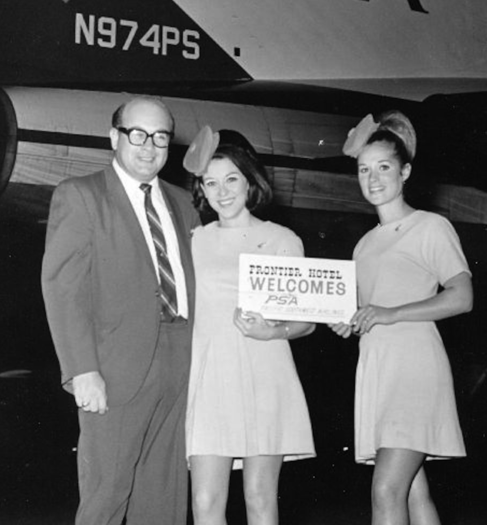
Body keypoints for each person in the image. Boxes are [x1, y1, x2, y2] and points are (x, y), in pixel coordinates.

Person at [41, 96, 200, 525]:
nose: (149, 147)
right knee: (106, 496)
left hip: (183, 360)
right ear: (114, 137)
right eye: (138, 134)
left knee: (165, 499)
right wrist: (81, 369)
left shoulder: (184, 203)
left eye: (161, 138)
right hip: (115, 369)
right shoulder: (81, 195)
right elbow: (62, 289)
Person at [331, 111, 473, 525]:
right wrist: (347, 321)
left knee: (386, 489)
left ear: (405, 171)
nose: (373, 179)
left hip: (414, 365)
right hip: (377, 367)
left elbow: (462, 297)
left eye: (384, 168)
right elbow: (365, 312)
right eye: (363, 170)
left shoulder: (430, 227)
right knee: (412, 491)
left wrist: (390, 314)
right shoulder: (364, 244)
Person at [182, 126, 316, 525]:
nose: (222, 192)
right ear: (201, 189)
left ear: (249, 182)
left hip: (264, 373)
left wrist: (271, 331)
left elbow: (306, 322)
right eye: (211, 182)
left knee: (259, 500)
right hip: (209, 379)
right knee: (205, 503)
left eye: (231, 180)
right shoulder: (192, 241)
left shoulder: (281, 240)